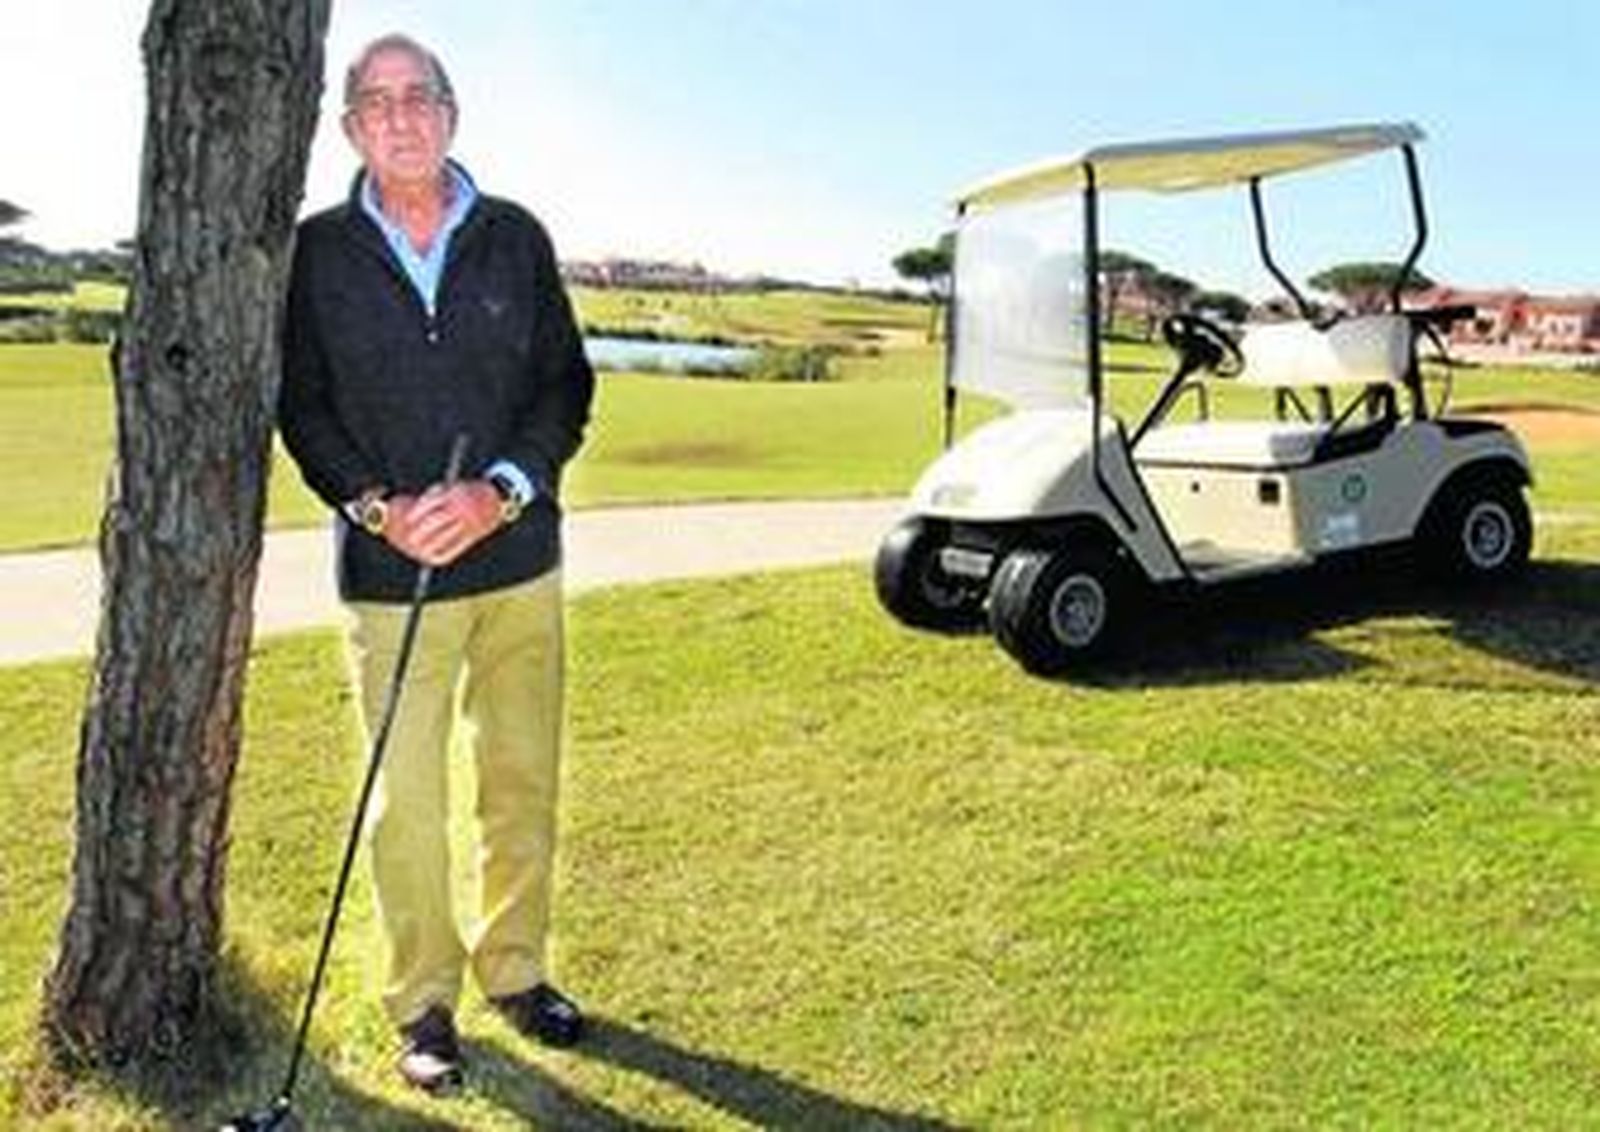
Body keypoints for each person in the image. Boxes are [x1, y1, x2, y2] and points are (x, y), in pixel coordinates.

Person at [278, 32, 595, 1093]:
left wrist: (500, 487)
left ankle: (516, 969)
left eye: (421, 97)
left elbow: (566, 387)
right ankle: (423, 1002)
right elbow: (303, 406)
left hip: (519, 567)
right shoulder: (317, 253)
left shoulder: (515, 236)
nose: (402, 116)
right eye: (378, 101)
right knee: (404, 801)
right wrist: (377, 505)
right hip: (388, 573)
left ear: (452, 115)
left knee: (519, 780)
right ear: (351, 127)